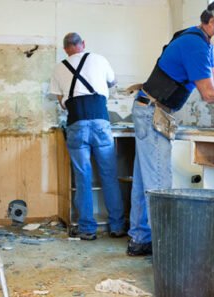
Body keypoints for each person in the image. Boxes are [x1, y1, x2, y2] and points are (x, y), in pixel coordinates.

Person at [127, 0, 214, 256]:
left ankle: (140, 239)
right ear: (213, 22)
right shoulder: (194, 44)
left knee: (143, 181)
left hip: (147, 109)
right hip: (152, 112)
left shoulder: (202, 43)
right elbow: (209, 94)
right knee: (160, 185)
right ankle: (167, 252)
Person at [50, 33, 126, 241]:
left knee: (83, 177)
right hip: (101, 122)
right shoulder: (99, 59)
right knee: (109, 176)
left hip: (76, 124)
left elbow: (61, 102)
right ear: (83, 45)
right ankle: (117, 226)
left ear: (65, 49)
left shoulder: (58, 68)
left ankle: (86, 229)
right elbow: (113, 82)